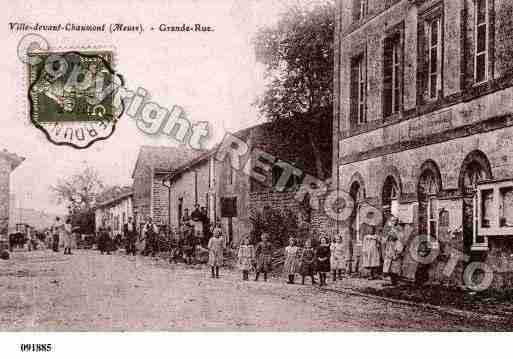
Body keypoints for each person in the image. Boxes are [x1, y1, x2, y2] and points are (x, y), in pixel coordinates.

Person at [382, 216, 404, 286]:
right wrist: (388, 236)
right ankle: (392, 280)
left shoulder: (399, 229)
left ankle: (395, 281)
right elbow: (385, 239)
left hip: (396, 246)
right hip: (390, 247)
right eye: (392, 221)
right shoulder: (390, 229)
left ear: (397, 222)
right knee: (389, 265)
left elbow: (400, 238)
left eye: (394, 221)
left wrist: (395, 236)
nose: (393, 222)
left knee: (395, 265)